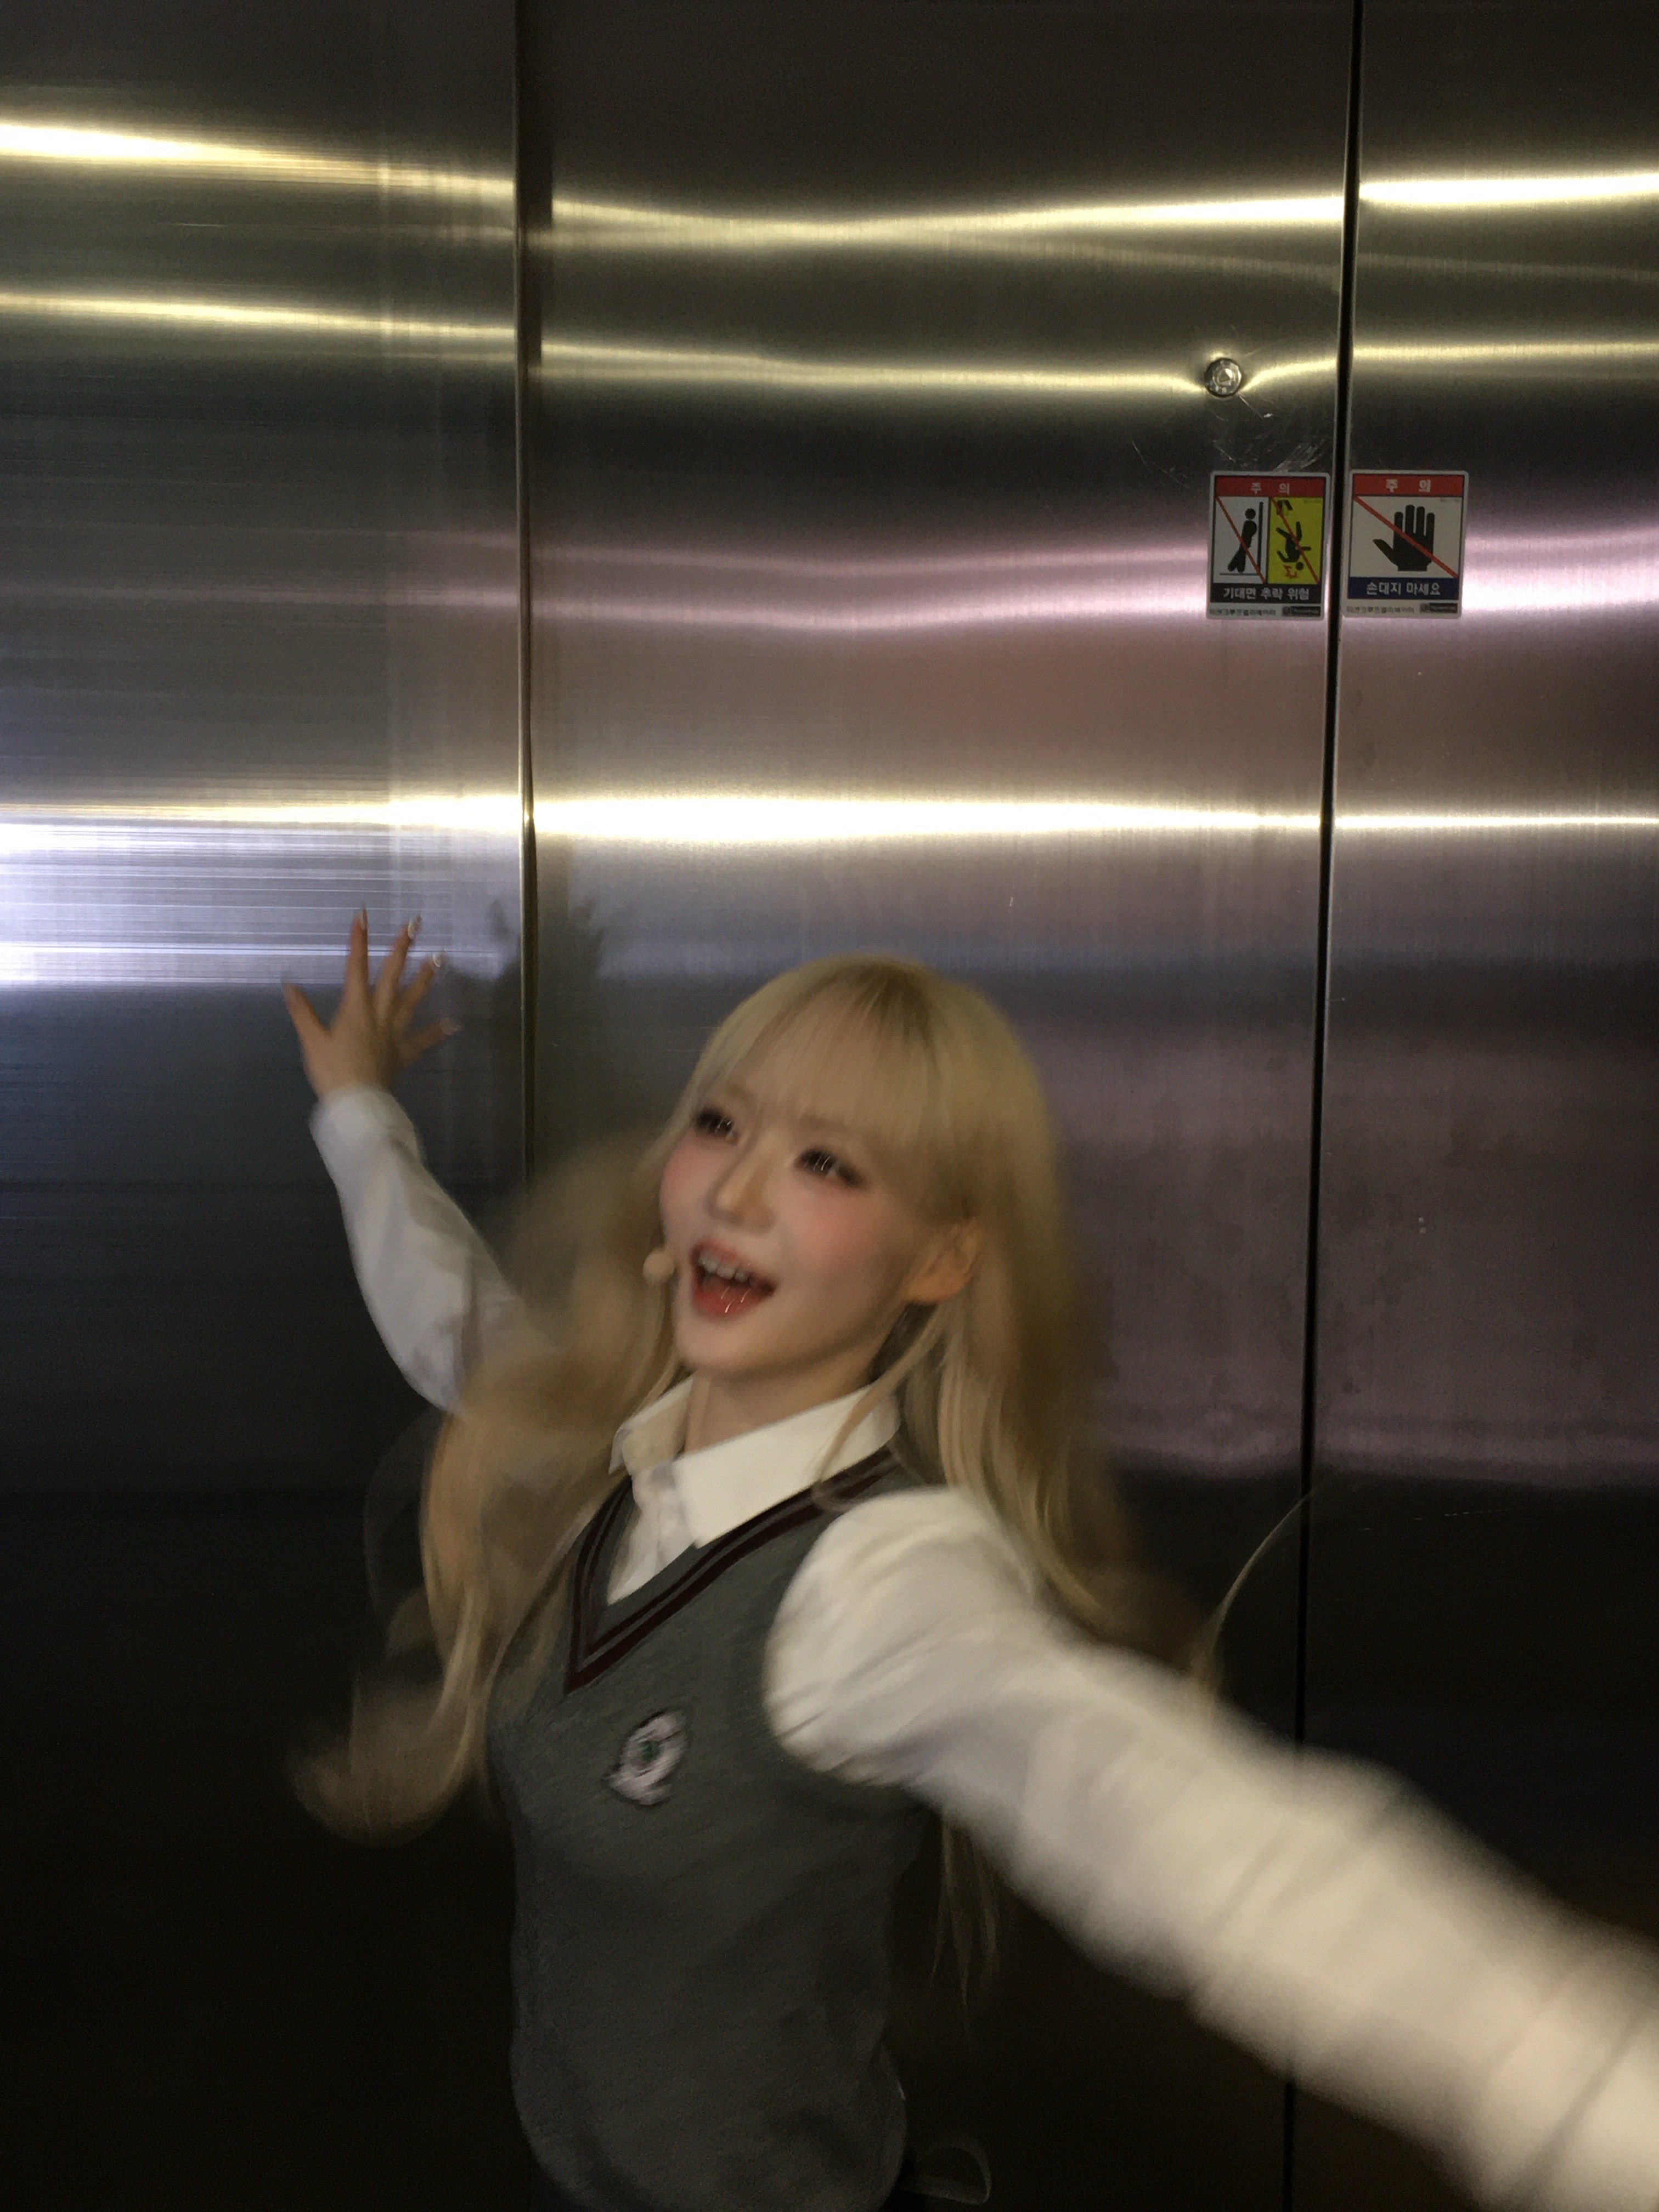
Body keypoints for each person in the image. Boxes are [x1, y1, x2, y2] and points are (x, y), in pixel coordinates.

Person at [285, 916, 1659, 2212]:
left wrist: (1581, 2078)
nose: (739, 1190)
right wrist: (359, 1109)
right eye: (721, 1123)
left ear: (941, 1258)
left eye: (829, 1164)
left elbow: (1201, 1841)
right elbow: (454, 1324)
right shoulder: (608, 1446)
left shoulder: (877, 1580)